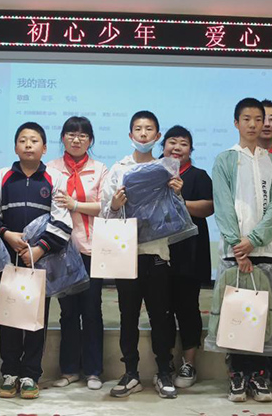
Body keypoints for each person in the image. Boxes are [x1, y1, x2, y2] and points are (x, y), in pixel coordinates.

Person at [0, 122, 72, 400]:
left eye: (34, 140)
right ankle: (10, 372)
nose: (28, 144)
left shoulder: (55, 178)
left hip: (40, 261)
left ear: (44, 148)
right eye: (23, 140)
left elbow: (62, 221)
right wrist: (7, 234)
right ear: (15, 147)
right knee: (9, 317)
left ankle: (30, 375)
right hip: (7, 260)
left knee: (36, 319)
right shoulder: (3, 176)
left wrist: (39, 250)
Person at [101, 110, 177, 399]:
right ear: (130, 134)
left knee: (160, 316)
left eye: (149, 129)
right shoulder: (118, 169)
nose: (143, 134)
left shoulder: (165, 169)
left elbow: (175, 215)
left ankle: (164, 371)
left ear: (158, 135)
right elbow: (105, 212)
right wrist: (115, 204)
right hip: (126, 254)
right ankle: (130, 372)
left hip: (156, 252)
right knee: (128, 316)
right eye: (138, 129)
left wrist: (177, 194)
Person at [212, 98, 272, 403]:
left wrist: (255, 239)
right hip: (235, 251)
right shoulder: (226, 159)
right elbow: (222, 204)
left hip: (264, 249)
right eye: (247, 119)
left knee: (262, 316)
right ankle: (237, 376)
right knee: (237, 315)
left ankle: (259, 375)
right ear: (236, 123)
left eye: (259, 119)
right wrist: (238, 245)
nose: (254, 124)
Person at [47, 116, 109, 391]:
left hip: (91, 249)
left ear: (90, 140)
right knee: (68, 312)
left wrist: (75, 204)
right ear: (63, 138)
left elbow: (105, 206)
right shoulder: (51, 168)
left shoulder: (100, 169)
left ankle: (94, 371)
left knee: (92, 310)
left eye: (82, 135)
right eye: (71, 134)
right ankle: (70, 369)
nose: (76, 139)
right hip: (60, 250)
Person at [161, 125, 214, 389]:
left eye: (183, 143)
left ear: (191, 150)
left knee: (187, 307)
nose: (177, 147)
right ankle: (165, 362)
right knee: (161, 309)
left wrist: (180, 199)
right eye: (172, 142)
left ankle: (189, 363)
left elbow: (208, 207)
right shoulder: (153, 173)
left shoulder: (199, 176)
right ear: (163, 147)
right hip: (159, 250)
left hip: (189, 252)